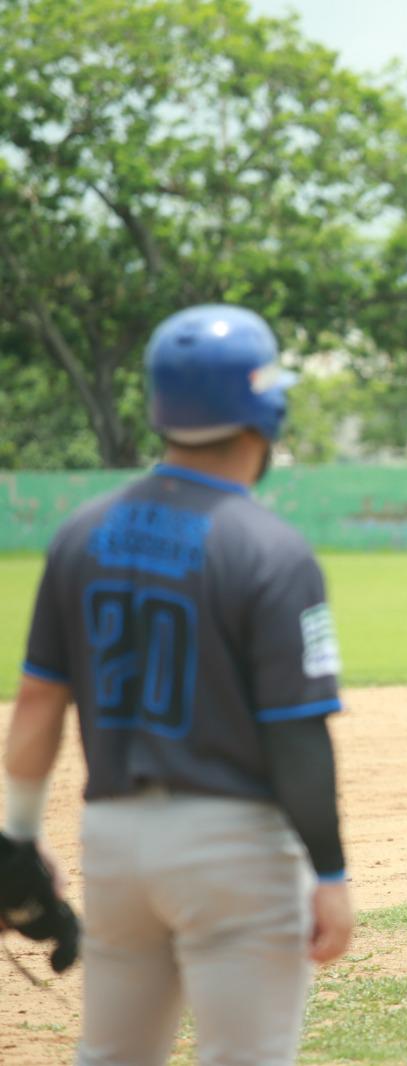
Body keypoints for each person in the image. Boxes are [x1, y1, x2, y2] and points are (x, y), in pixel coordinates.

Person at [3, 304, 354, 1065]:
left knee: (111, 1055)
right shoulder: (271, 548)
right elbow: (297, 734)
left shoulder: (81, 532)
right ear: (265, 409)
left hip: (115, 844)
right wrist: (329, 871)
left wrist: (19, 838)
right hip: (233, 848)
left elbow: (36, 706)